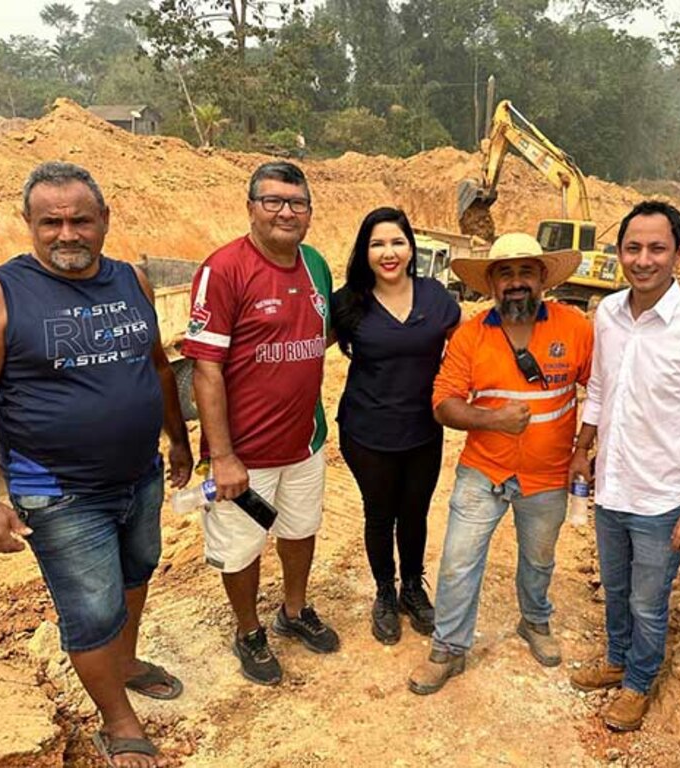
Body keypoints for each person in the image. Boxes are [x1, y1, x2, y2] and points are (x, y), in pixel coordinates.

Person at [0, 161, 193, 768]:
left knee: (138, 571)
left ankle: (126, 660)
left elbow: (157, 366)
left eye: (80, 220)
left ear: (104, 220)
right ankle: (120, 721)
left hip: (139, 474)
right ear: (27, 224)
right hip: (57, 492)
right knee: (92, 607)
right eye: (50, 222)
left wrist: (177, 438)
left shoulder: (130, 279)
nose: (66, 234)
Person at [566, 201, 680, 731]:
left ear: (679, 253)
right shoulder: (610, 315)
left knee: (648, 600)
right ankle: (618, 659)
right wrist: (582, 448)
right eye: (633, 248)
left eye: (657, 248)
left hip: (663, 502)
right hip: (612, 489)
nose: (643, 260)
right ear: (619, 252)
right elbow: (598, 389)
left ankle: (639, 683)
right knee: (616, 589)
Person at [407, 232, 593, 695]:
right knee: (457, 562)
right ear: (490, 282)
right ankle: (448, 648)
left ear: (543, 279)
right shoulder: (471, 335)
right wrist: (492, 419)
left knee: (538, 560)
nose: (516, 283)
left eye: (526, 272)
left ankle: (534, 622)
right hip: (483, 470)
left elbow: (602, 393)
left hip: (548, 475)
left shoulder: (575, 328)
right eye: (505, 273)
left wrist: (583, 451)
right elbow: (443, 403)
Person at [181, 161, 338, 687]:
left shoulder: (316, 264)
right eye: (272, 201)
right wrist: (222, 455)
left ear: (310, 213)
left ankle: (293, 612)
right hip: (243, 456)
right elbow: (205, 369)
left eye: (297, 203)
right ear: (250, 207)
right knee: (242, 548)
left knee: (300, 530)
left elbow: (319, 338)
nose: (285, 212)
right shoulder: (223, 270)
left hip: (305, 441)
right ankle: (249, 630)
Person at [331, 207, 460, 645]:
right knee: (379, 512)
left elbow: (473, 348)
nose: (389, 252)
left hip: (424, 430)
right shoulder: (348, 301)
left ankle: (412, 588)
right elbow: (305, 350)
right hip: (366, 432)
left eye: (397, 242)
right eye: (377, 244)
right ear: (364, 252)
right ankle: (384, 591)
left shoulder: (435, 298)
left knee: (415, 512)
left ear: (411, 247)